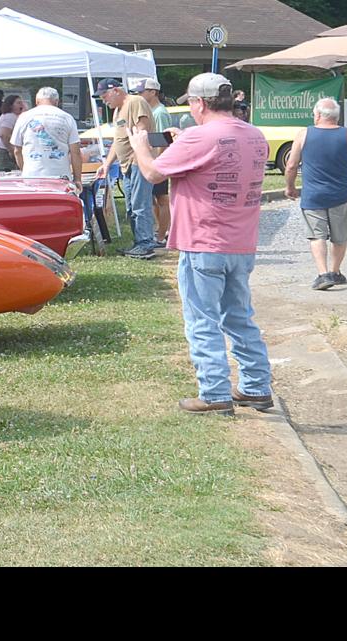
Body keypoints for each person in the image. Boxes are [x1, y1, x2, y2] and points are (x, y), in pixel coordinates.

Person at [128, 73, 272, 415]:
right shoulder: (255, 135)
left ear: (200, 103)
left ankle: (214, 392)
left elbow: (152, 174)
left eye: (191, 103)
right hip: (242, 241)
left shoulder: (199, 137)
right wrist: (183, 141)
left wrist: (140, 148)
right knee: (239, 317)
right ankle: (256, 387)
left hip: (203, 240)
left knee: (201, 319)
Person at [284, 97, 347, 290]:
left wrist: (290, 187)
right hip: (341, 195)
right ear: (337, 116)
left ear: (317, 115)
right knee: (339, 236)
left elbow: (291, 165)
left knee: (317, 236)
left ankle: (323, 274)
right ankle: (335, 271)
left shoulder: (304, 135)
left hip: (312, 196)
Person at [99, 81, 156, 258]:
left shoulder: (135, 102)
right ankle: (139, 242)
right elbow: (118, 141)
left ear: (115, 90)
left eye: (104, 96)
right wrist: (107, 164)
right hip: (127, 166)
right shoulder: (118, 110)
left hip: (139, 162)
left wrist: (140, 156)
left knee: (141, 205)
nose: (103, 101)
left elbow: (142, 132)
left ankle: (145, 243)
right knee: (131, 207)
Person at [133, 77, 175, 247]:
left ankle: (163, 235)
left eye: (142, 92)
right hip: (152, 160)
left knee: (162, 198)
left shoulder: (159, 113)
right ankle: (161, 231)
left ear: (153, 92)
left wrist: (159, 163)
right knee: (153, 199)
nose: (139, 95)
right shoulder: (152, 111)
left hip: (158, 161)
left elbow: (164, 139)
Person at [12, 87, 81, 184]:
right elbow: (75, 152)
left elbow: (17, 150)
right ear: (57, 102)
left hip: (32, 176)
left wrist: (25, 170)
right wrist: (78, 179)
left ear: (37, 101)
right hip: (60, 176)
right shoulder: (67, 118)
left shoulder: (24, 117)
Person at [0, 94, 26, 173]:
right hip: (5, 151)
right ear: (11, 105)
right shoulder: (9, 117)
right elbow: (4, 135)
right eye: (18, 103)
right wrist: (11, 150)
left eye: (22, 102)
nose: (21, 105)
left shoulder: (13, 116)